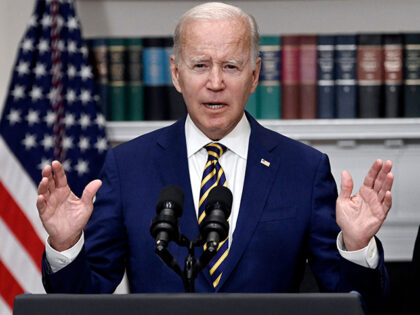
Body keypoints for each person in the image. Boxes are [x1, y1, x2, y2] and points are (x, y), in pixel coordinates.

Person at [37, 2, 394, 314]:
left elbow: (355, 304)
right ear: (177, 74)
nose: (215, 82)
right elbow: (83, 301)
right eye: (200, 65)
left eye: (231, 67)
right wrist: (66, 245)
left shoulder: (304, 168)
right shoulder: (128, 166)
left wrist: (357, 247)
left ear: (254, 75)